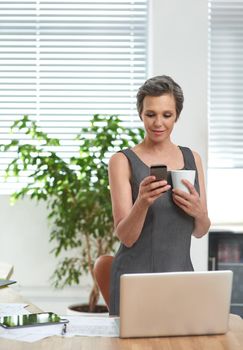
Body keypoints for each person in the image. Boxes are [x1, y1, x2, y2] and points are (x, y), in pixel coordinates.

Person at [108, 75, 211, 316]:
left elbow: (200, 230)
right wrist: (142, 202)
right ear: (140, 114)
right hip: (135, 281)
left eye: (167, 115)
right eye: (150, 114)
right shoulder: (122, 161)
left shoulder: (192, 158)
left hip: (181, 280)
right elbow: (126, 237)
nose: (158, 123)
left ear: (177, 116)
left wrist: (199, 212)